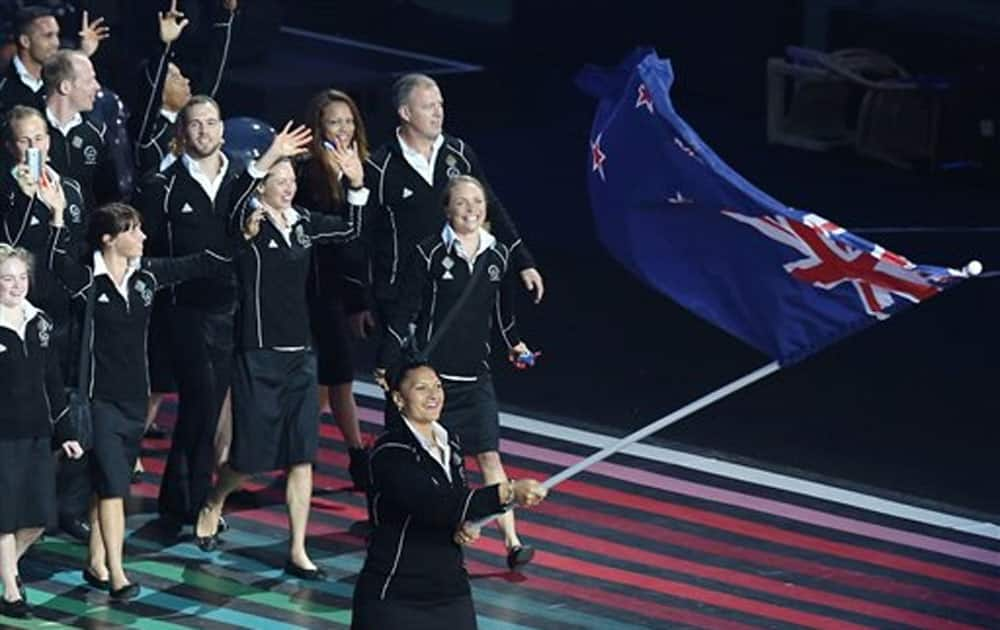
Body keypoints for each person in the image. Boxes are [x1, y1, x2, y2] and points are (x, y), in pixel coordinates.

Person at [192, 124, 365, 580]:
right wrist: (267, 157)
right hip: (258, 352)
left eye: (291, 181)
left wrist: (356, 184)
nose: (287, 188)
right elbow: (232, 207)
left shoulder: (304, 225)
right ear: (263, 185)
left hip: (300, 356)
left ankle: (298, 548)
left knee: (302, 454)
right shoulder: (248, 224)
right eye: (278, 181)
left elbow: (350, 229)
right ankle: (216, 497)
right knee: (249, 458)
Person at [47, 200, 228, 601]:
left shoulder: (146, 276)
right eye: (133, 229)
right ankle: (116, 572)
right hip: (100, 400)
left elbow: (201, 262)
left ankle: (95, 562)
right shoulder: (86, 280)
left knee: (106, 484)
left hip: (134, 401)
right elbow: (55, 261)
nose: (143, 236)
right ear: (109, 239)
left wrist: (244, 230)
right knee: (114, 488)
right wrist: (58, 216)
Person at [376, 175, 539, 569]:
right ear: (447, 209)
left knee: (489, 456)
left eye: (477, 203)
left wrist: (516, 345)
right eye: (462, 203)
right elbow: (406, 312)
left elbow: (503, 315)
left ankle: (513, 543)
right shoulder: (429, 252)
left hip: (475, 377)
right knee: (430, 462)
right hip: (432, 382)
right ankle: (425, 531)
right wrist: (386, 360)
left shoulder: (497, 255)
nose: (471, 210)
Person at [351, 361, 547, 630]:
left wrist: (464, 523)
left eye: (438, 386)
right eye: (421, 388)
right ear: (398, 398)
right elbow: (433, 505)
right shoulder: (390, 452)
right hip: (396, 594)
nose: (434, 395)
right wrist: (507, 490)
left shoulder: (450, 442)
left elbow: (456, 500)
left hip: (450, 590)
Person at [135, 94, 255, 530]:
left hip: (230, 309)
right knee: (200, 402)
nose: (204, 131)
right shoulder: (161, 187)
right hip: (183, 313)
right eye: (195, 125)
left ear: (223, 129)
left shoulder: (242, 183)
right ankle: (191, 498)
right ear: (182, 134)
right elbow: (143, 251)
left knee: (206, 406)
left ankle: (182, 496)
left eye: (211, 122)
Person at [363, 73, 544, 327]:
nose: (438, 113)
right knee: (411, 368)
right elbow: (362, 237)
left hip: (455, 291)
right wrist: (357, 302)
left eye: (440, 105)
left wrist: (523, 261)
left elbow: (491, 207)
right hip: (401, 298)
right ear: (405, 112)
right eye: (428, 107)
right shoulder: (379, 167)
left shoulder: (460, 155)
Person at [0, 104, 91, 541]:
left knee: (70, 405)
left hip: (62, 316)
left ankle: (65, 506)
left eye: (39, 138)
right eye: (24, 140)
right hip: (15, 318)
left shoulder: (70, 189)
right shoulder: (5, 191)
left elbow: (74, 253)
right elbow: (11, 250)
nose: (33, 147)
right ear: (10, 147)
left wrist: (58, 214)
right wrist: (32, 203)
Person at [0, 244, 83, 619]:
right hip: (2, 435)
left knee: (35, 519)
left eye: (22, 278)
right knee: (5, 516)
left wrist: (65, 430)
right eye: (7, 279)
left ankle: (8, 570)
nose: (17, 286)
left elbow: (52, 380)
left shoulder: (40, 322)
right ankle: (12, 591)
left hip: (35, 431)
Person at [296, 88, 373, 489]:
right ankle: (355, 456)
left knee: (333, 381)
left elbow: (363, 242)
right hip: (311, 288)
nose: (342, 129)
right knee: (333, 376)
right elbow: (328, 232)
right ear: (318, 127)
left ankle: (315, 451)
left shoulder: (366, 168)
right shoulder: (306, 171)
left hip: (345, 292)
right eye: (333, 122)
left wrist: (361, 301)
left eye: (348, 121)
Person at [133, 0, 236, 175]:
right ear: (160, 92)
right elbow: (151, 89)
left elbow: (213, 70)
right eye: (175, 77)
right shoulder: (149, 129)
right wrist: (164, 46)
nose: (185, 81)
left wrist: (225, 15)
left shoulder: (192, 119)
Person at [0, 6, 108, 116]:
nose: (56, 43)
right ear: (25, 41)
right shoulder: (4, 87)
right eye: (48, 36)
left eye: (57, 35)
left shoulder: (61, 78)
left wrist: (83, 53)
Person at [41, 49, 110, 209]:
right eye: (89, 81)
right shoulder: (29, 129)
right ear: (65, 87)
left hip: (85, 230)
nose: (97, 87)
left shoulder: (96, 132)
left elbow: (107, 194)